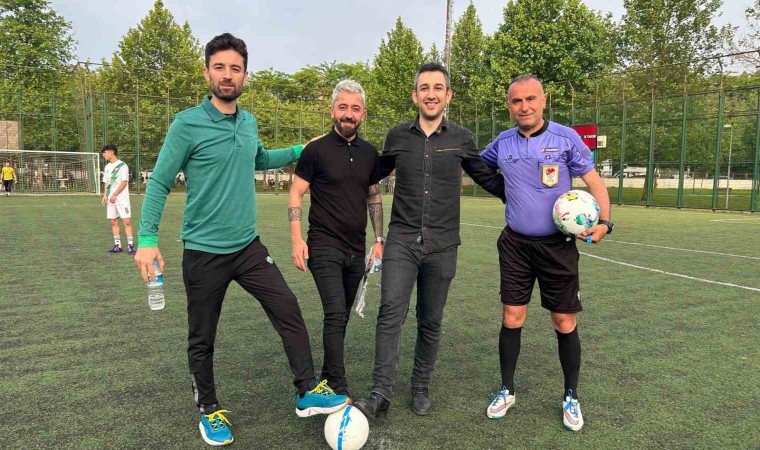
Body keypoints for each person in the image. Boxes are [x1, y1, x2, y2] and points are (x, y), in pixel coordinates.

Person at [133, 33, 348, 447]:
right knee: (202, 337)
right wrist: (146, 238)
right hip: (203, 251)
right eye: (220, 67)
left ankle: (306, 391)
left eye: (235, 68)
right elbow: (159, 181)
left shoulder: (248, 122)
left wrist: (302, 149)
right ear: (207, 73)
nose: (227, 75)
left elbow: (260, 159)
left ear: (245, 75)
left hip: (248, 247)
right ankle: (208, 409)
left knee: (287, 308)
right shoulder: (186, 124)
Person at [354, 62, 505, 418]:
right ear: (415, 95)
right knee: (390, 313)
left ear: (448, 95)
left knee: (430, 319)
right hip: (402, 241)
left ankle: (420, 387)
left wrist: (532, 196)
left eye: (438, 88)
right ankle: (380, 392)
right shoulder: (397, 136)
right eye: (424, 88)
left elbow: (487, 178)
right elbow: (368, 173)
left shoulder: (462, 138)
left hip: (443, 244)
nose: (431, 94)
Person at [479, 74, 613, 431]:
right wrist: (503, 190)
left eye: (530, 99)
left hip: (558, 247)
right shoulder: (502, 142)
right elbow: (479, 167)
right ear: (509, 105)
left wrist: (605, 222)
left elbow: (594, 181)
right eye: (516, 101)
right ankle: (507, 390)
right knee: (512, 317)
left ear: (544, 100)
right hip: (515, 245)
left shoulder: (565, 138)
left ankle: (571, 396)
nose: (524, 107)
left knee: (564, 320)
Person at [288, 79, 385, 398]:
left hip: (355, 249)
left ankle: (327, 375)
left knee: (341, 316)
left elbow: (374, 196)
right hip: (323, 245)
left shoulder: (370, 153)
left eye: (355, 108)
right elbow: (296, 193)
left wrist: (379, 239)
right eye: (343, 107)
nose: (348, 114)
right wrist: (297, 239)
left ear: (363, 114)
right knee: (334, 312)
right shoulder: (315, 151)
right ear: (332, 110)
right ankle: (338, 386)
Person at [101, 145, 135, 255]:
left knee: (127, 221)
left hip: (122, 198)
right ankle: (117, 246)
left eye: (105, 152)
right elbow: (106, 182)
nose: (103, 155)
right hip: (111, 199)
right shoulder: (107, 167)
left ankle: (131, 246)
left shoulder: (122, 166)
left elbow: (124, 182)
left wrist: (115, 194)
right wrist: (105, 195)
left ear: (111, 152)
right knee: (114, 221)